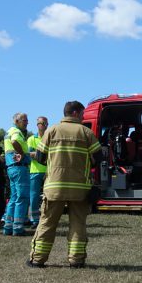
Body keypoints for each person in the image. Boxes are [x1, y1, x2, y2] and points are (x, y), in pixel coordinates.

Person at [27, 101, 102, 269]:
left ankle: (37, 260)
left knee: (46, 223)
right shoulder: (86, 132)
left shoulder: (51, 130)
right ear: (75, 113)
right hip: (80, 189)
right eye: (82, 113)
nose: (83, 117)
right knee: (78, 224)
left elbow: (39, 157)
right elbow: (98, 159)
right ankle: (76, 261)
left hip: (54, 188)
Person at [3, 113, 31, 236]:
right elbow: (14, 141)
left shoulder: (9, 131)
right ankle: (18, 227)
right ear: (16, 120)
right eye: (24, 120)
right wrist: (22, 153)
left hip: (12, 168)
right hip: (19, 169)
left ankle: (8, 226)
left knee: (14, 197)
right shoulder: (16, 132)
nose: (27, 122)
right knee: (22, 197)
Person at [27, 117, 48, 227]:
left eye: (45, 123)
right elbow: (29, 154)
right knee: (34, 196)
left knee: (48, 196)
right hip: (35, 171)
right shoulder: (31, 139)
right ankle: (34, 220)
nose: (43, 125)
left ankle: (46, 218)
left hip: (48, 171)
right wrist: (44, 155)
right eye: (41, 123)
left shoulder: (50, 137)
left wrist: (37, 154)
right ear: (37, 125)